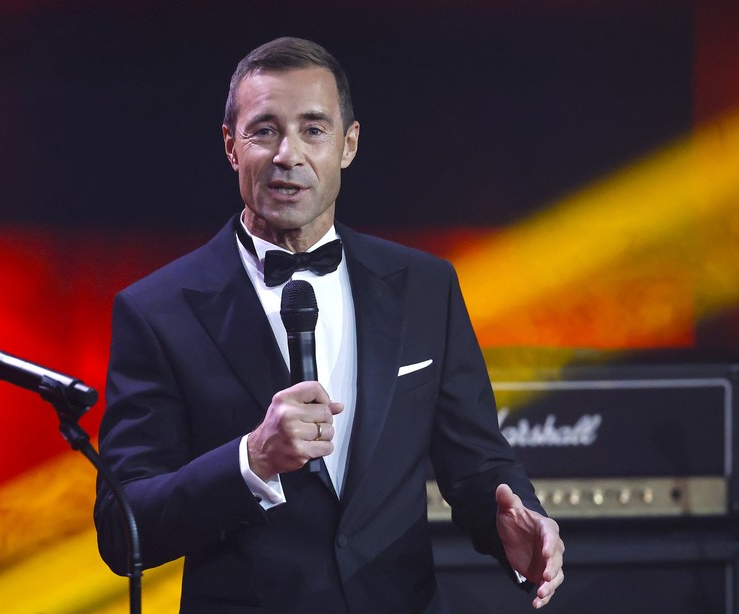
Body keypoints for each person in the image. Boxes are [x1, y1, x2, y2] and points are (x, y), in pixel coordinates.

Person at [94, 37, 564, 613]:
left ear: (349, 144)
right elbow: (123, 527)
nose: (288, 153)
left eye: (313, 129)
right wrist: (252, 459)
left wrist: (516, 522)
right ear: (230, 147)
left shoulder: (424, 287)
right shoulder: (157, 311)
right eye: (264, 130)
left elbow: (477, 462)